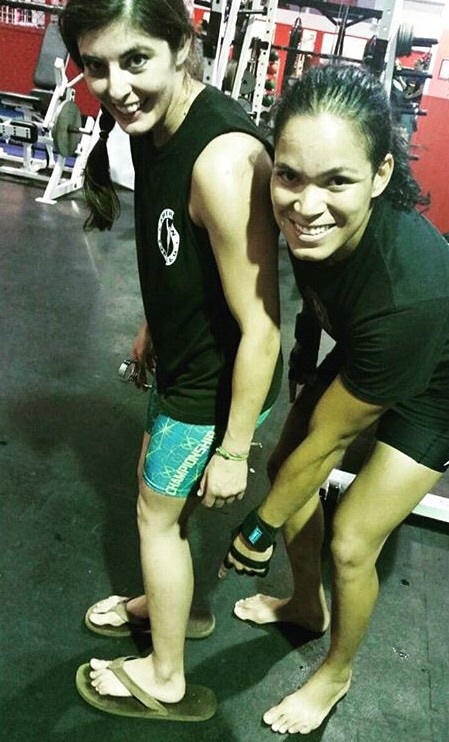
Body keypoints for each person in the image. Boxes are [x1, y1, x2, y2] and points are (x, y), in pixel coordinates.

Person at [59, 0, 282, 722]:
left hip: (216, 385)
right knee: (159, 503)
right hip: (185, 363)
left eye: (135, 61)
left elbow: (263, 329)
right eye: (97, 66)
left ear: (183, 46)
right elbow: (187, 260)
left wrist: (235, 450)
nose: (116, 88)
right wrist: (155, 325)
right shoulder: (158, 126)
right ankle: (169, 605)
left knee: (154, 517)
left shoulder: (221, 161)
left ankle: (166, 677)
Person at [221, 62, 449, 735]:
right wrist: (302, 356)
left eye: (336, 181)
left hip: (438, 383)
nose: (305, 205)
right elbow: (317, 298)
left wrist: (257, 529)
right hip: (371, 348)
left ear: (380, 175)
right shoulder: (308, 222)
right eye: (289, 176)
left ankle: (337, 671)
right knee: (283, 471)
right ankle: (304, 605)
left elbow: (327, 445)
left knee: (350, 540)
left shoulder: (403, 291)